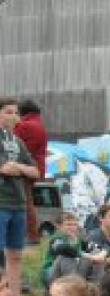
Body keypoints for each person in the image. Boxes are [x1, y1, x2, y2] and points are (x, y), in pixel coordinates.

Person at [0, 97, 40, 296]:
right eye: (8, 112)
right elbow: (4, 167)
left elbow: (35, 171)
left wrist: (20, 168)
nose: (14, 117)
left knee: (15, 256)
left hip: (19, 203)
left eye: (15, 113)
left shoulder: (18, 141)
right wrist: (16, 169)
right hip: (2, 203)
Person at [12, 99, 46, 246]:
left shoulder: (25, 125)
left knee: (24, 202)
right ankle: (31, 235)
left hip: (25, 169)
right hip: (34, 168)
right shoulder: (37, 124)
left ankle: (31, 236)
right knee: (26, 201)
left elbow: (13, 144)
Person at [43, 211, 106, 286]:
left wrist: (101, 254)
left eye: (75, 225)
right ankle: (73, 287)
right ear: (59, 226)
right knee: (66, 256)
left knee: (97, 254)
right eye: (68, 225)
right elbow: (63, 249)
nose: (72, 228)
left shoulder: (77, 239)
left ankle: (93, 287)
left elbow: (99, 248)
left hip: (71, 271)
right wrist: (90, 257)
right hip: (52, 273)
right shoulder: (57, 237)